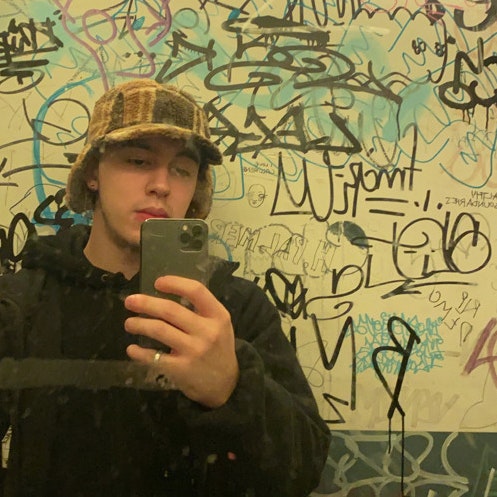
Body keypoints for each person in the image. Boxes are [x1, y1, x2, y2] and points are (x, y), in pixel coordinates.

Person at [0, 79, 330, 496]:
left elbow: (302, 472)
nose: (162, 184)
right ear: (93, 173)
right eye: (139, 160)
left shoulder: (233, 308)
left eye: (181, 169)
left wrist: (233, 388)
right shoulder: (22, 303)